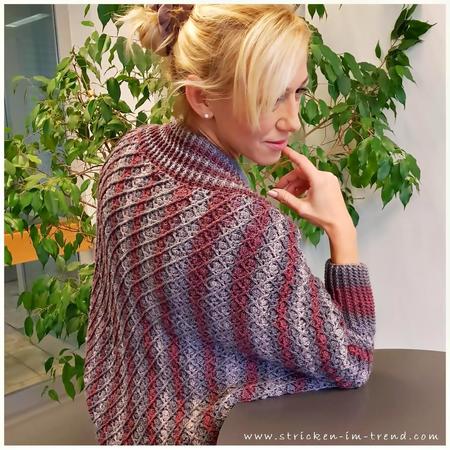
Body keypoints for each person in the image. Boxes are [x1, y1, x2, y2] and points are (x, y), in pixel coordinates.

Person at [83, 4, 376, 445]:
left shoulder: (128, 154)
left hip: (120, 418)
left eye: (297, 91)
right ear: (202, 99)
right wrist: (341, 229)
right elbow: (352, 358)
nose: (293, 120)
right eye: (271, 97)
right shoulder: (248, 227)